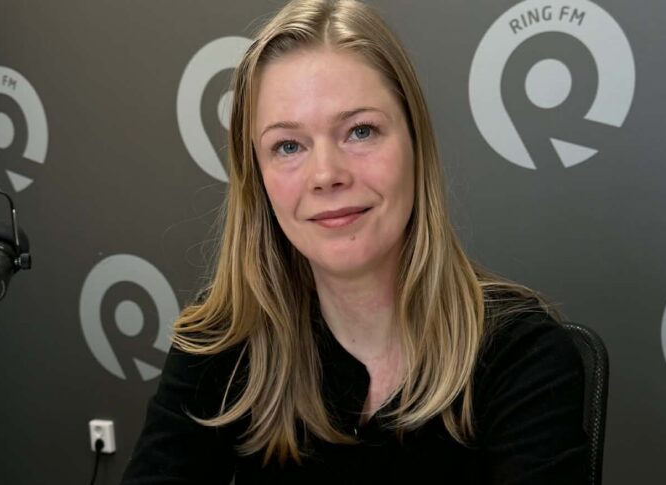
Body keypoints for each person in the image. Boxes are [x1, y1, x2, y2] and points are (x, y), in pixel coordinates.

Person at [121, 0, 587, 483]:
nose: (326, 174)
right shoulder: (223, 341)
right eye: (288, 146)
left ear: (416, 145)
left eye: (360, 131)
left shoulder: (522, 355)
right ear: (256, 177)